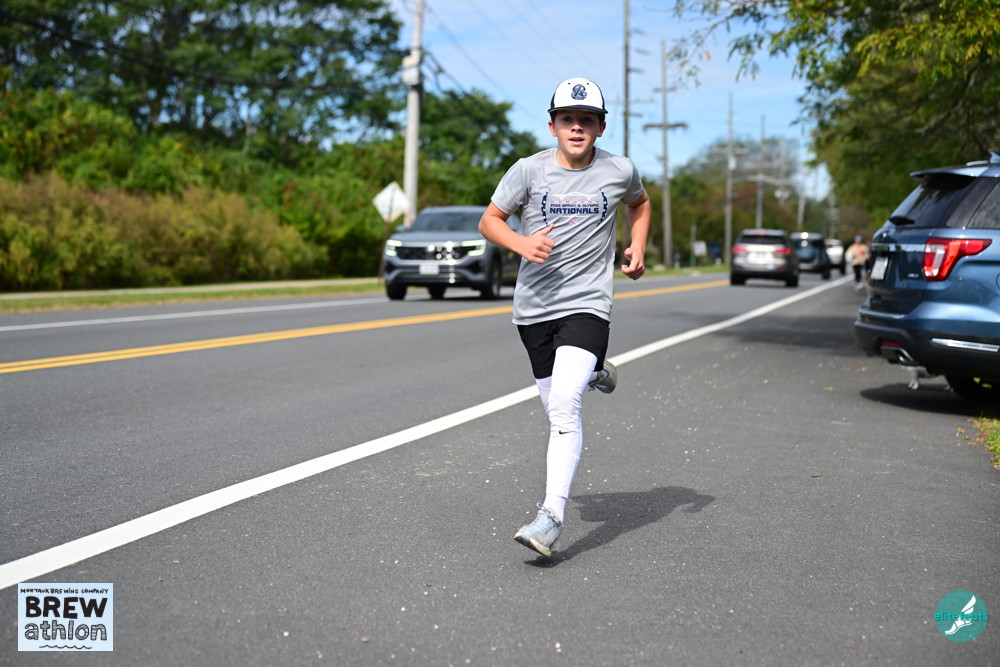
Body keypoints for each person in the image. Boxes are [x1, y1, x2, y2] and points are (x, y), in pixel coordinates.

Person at [478, 77, 651, 557]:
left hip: (587, 302)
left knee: (563, 406)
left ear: (600, 127)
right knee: (556, 403)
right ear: (552, 125)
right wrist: (521, 242)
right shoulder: (528, 171)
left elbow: (639, 203)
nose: (577, 127)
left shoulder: (619, 170)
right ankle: (593, 370)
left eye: (587, 120)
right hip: (534, 309)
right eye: (568, 119)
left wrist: (637, 245)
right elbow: (489, 220)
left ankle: (550, 518)